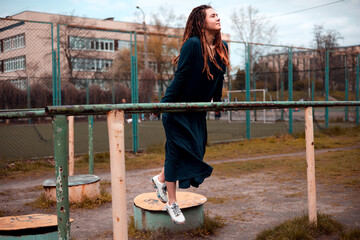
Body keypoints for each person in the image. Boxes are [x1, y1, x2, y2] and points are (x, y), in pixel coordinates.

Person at [151, 5, 231, 224]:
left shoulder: (222, 46)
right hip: (177, 109)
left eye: (218, 14)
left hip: (197, 111)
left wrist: (217, 102)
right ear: (201, 21)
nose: (217, 17)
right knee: (177, 151)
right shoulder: (192, 45)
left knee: (194, 151)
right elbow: (180, 77)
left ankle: (160, 179)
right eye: (212, 15)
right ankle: (172, 203)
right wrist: (164, 106)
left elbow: (218, 78)